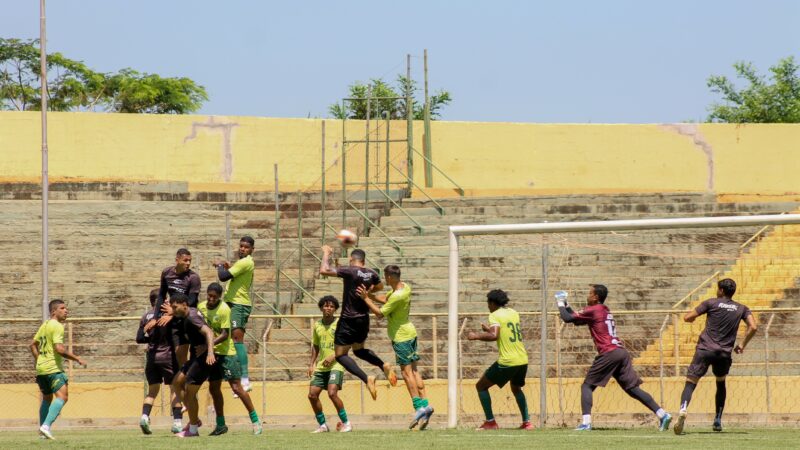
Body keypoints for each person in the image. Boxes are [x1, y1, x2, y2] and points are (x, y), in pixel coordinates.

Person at [556, 285, 672, 431]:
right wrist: (566, 303)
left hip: (608, 352)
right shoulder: (603, 309)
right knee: (632, 389)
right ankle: (663, 414)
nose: (587, 296)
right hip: (620, 351)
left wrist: (560, 301)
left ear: (596, 297)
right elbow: (576, 319)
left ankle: (586, 423)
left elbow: (566, 318)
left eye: (590, 293)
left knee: (587, 386)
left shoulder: (593, 310)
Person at [673, 278, 758, 435]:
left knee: (691, 382)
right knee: (720, 383)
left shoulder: (711, 303)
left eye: (718, 288)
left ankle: (683, 409)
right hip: (724, 353)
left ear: (722, 291)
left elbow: (687, 317)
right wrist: (741, 345)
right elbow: (753, 327)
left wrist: (690, 317)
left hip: (704, 350)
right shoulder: (742, 308)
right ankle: (718, 420)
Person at [357, 265, 434, 430]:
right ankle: (426, 405)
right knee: (415, 372)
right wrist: (371, 295)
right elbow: (387, 299)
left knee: (406, 374)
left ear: (390, 277)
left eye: (385, 276)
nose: (384, 279)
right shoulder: (405, 287)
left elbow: (379, 313)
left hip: (401, 337)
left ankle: (418, 407)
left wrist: (365, 299)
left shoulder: (398, 296)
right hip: (410, 333)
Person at [319, 245, 396, 400]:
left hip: (348, 319)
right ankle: (383, 365)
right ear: (364, 261)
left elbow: (324, 270)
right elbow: (380, 286)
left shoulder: (350, 271)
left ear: (351, 259)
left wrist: (326, 254)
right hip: (363, 319)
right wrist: (368, 292)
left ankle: (367, 378)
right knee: (359, 350)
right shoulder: (372, 273)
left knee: (340, 355)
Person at [198, 282, 262, 436]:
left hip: (227, 353)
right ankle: (221, 425)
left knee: (236, 388)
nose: (211, 299)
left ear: (220, 297)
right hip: (211, 354)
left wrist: (208, 345)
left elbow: (225, 334)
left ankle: (256, 421)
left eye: (214, 296)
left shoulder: (225, 309)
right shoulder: (201, 307)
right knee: (214, 388)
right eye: (209, 295)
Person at [467, 289, 532, 431]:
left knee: (481, 386)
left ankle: (490, 422)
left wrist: (476, 335)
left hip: (508, 361)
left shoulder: (494, 315)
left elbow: (494, 335)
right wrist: (488, 329)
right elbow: (504, 331)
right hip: (522, 359)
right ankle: (527, 423)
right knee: (516, 388)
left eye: (488, 303)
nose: (488, 306)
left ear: (492, 303)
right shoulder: (514, 312)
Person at [29, 299, 86, 440]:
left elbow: (32, 345)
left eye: (66, 308)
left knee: (47, 399)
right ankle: (46, 426)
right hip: (53, 369)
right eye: (62, 308)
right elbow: (59, 349)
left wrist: (39, 360)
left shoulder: (45, 325)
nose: (66, 310)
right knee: (63, 397)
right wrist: (77, 358)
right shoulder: (57, 326)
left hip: (41, 370)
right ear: (54, 311)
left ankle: (43, 432)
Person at [169, 293, 216, 438]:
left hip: (203, 359)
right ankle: (195, 420)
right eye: (172, 307)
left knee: (190, 393)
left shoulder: (192, 317)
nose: (173, 310)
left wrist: (209, 352)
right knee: (176, 383)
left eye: (175, 307)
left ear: (184, 304)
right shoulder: (187, 316)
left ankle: (193, 429)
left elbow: (208, 332)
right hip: (196, 357)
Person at [145, 248, 202, 370]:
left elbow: (192, 301)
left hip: (189, 318)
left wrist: (173, 312)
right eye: (185, 260)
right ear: (177, 260)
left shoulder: (193, 277)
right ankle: (183, 382)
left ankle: (191, 380)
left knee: (194, 353)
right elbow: (161, 295)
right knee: (179, 354)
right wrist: (155, 318)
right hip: (175, 318)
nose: (188, 263)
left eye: (190, 261)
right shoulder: (167, 273)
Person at [136, 289, 183, 434]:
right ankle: (177, 422)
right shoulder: (168, 316)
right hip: (168, 356)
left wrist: (149, 336)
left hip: (152, 358)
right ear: (163, 301)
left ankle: (144, 417)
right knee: (174, 389)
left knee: (152, 392)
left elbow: (139, 338)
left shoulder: (145, 316)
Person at [214, 236, 256, 393]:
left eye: (246, 247)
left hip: (239, 304)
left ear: (252, 249)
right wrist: (226, 267)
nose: (242, 249)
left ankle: (245, 379)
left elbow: (223, 277)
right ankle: (237, 378)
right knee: (231, 340)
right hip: (233, 303)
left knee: (238, 340)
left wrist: (219, 266)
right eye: (241, 246)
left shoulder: (246, 261)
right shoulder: (242, 263)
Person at [307, 296, 351, 433]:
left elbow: (348, 344)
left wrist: (333, 356)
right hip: (321, 365)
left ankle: (346, 423)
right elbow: (315, 345)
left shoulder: (340, 324)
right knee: (312, 395)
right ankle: (323, 425)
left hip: (337, 363)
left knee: (332, 393)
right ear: (321, 308)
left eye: (332, 306)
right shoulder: (317, 325)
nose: (328, 309)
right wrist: (312, 363)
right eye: (326, 306)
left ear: (335, 309)